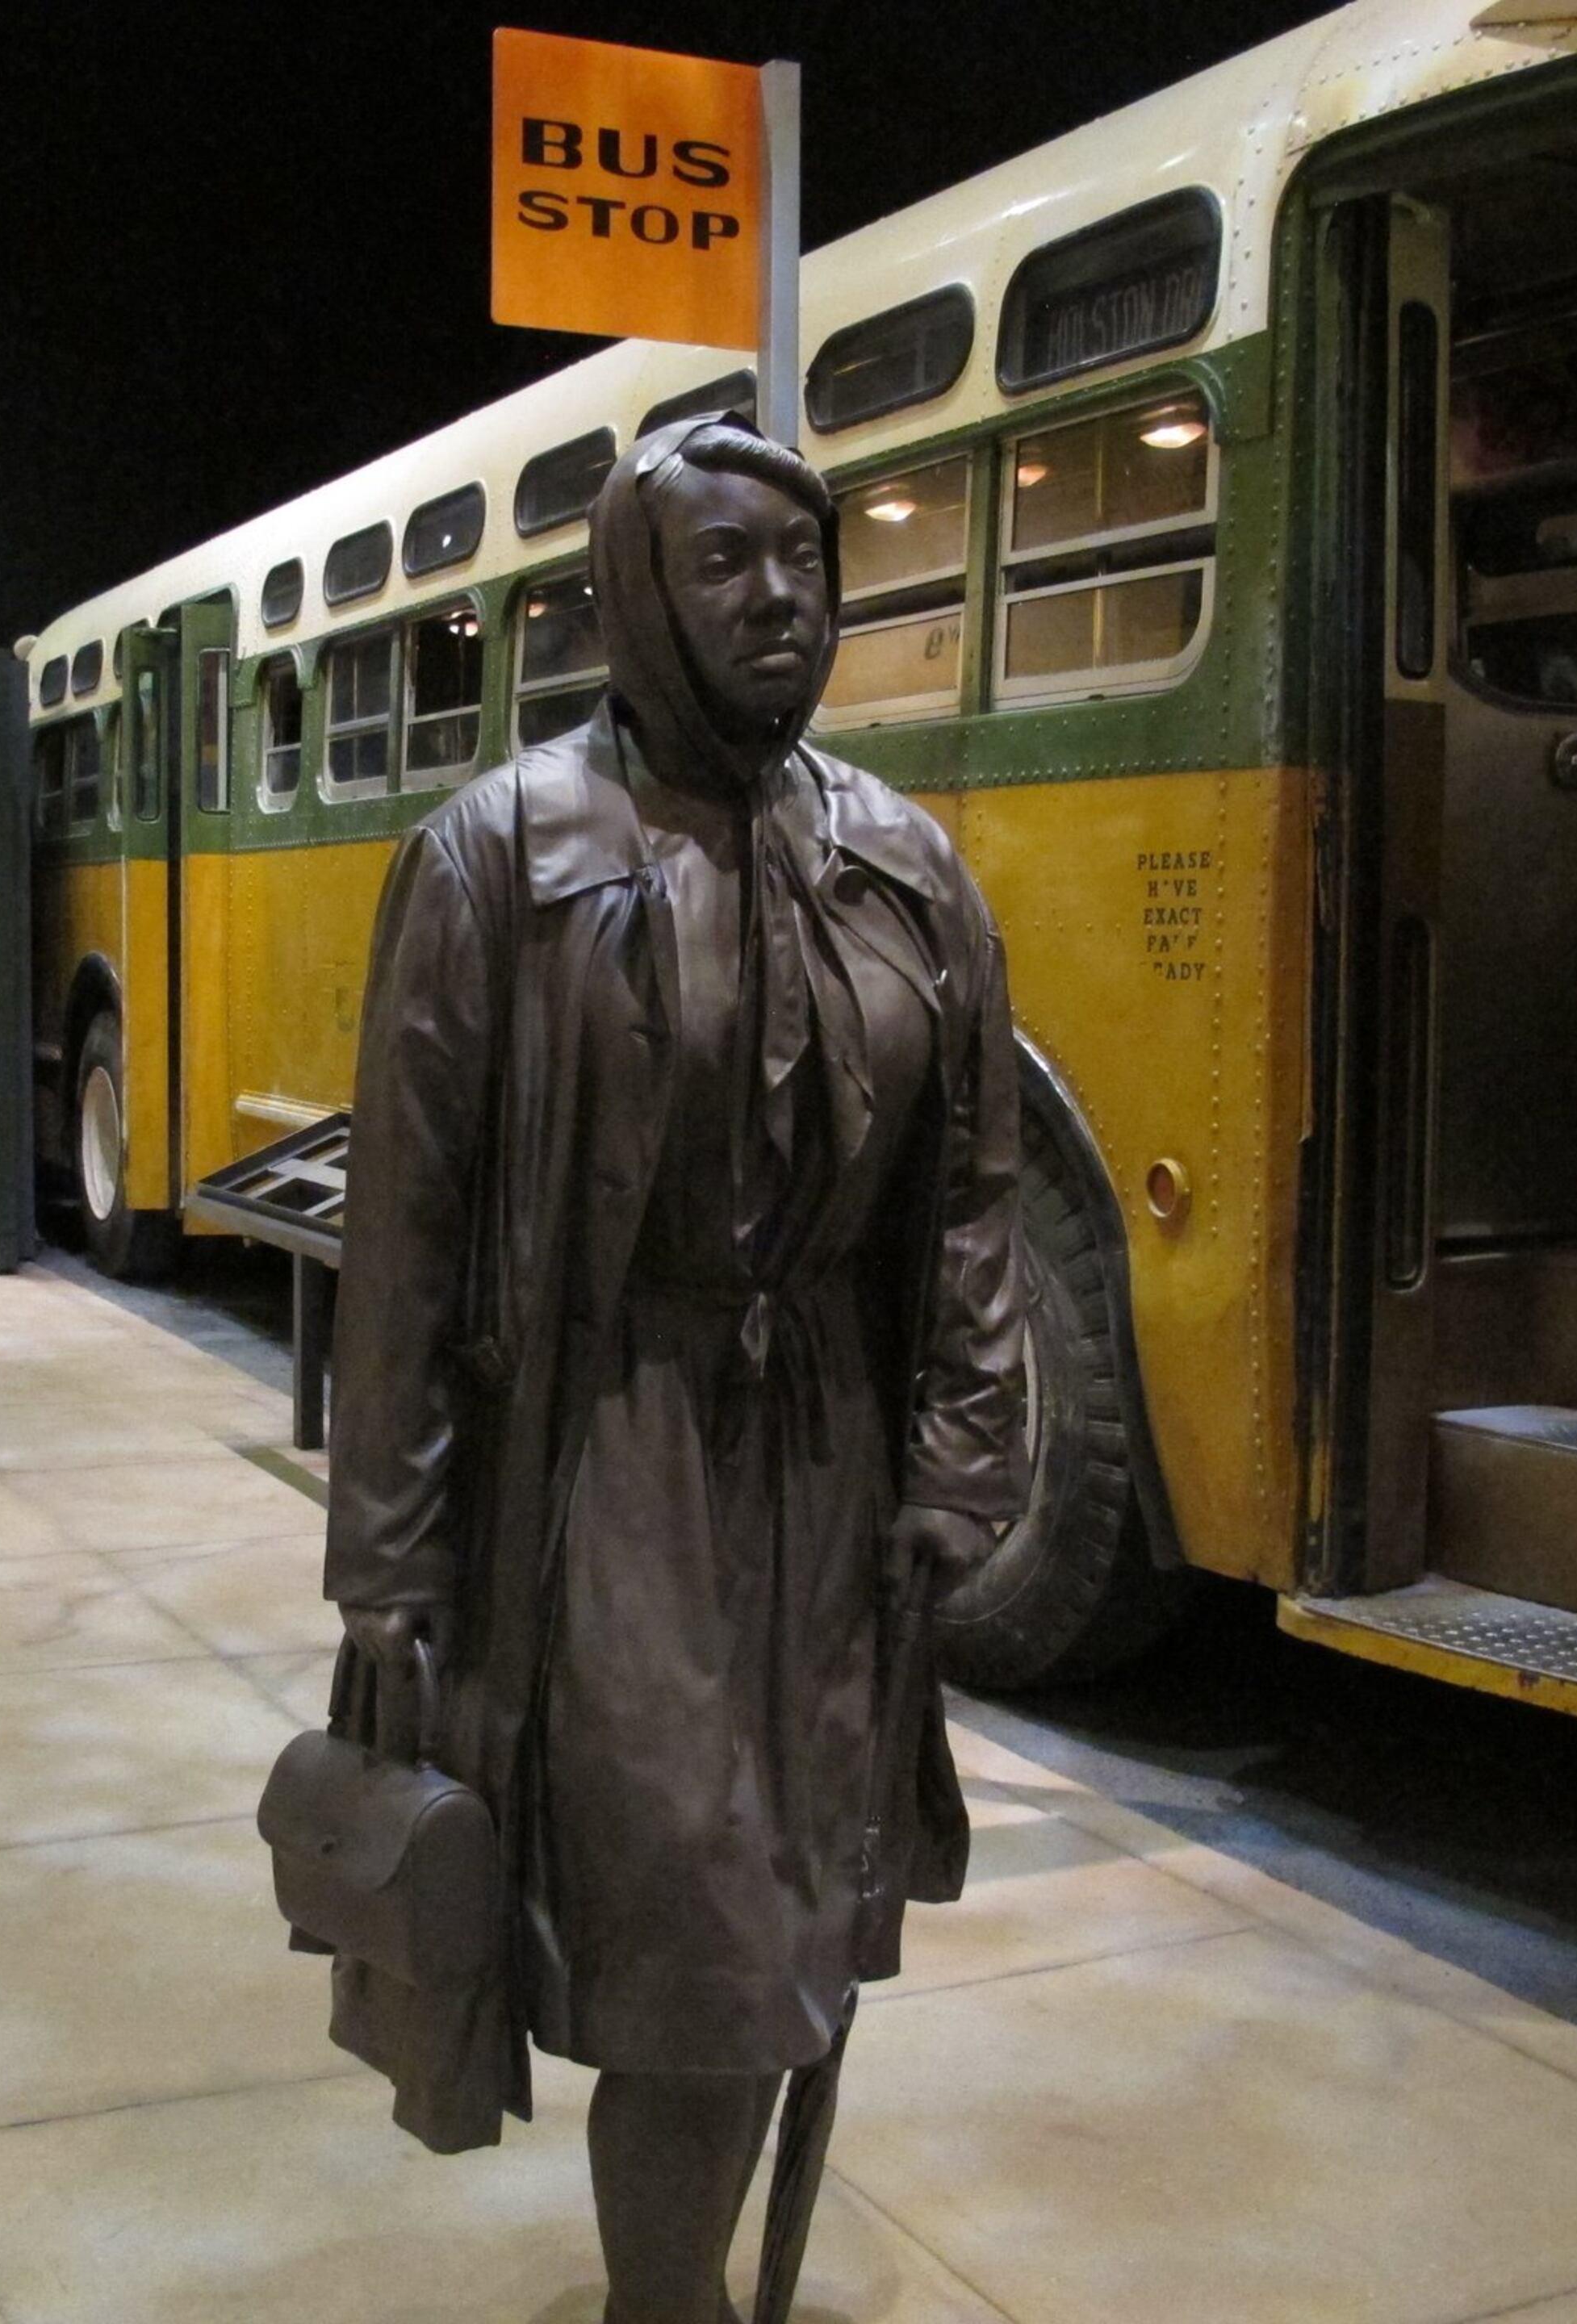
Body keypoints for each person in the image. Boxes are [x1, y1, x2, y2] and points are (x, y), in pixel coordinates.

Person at [320, 417, 1027, 2323]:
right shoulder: (504, 853)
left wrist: (962, 1459)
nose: (779, 595)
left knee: (792, 1911)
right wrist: (389, 1555)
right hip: (609, 1451)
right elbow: (406, 1231)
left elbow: (972, 1189)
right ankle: (670, 2308)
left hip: (830, 1461)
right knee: (707, 1940)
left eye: (803, 558)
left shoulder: (902, 861)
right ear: (639, 592)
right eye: (725, 561)